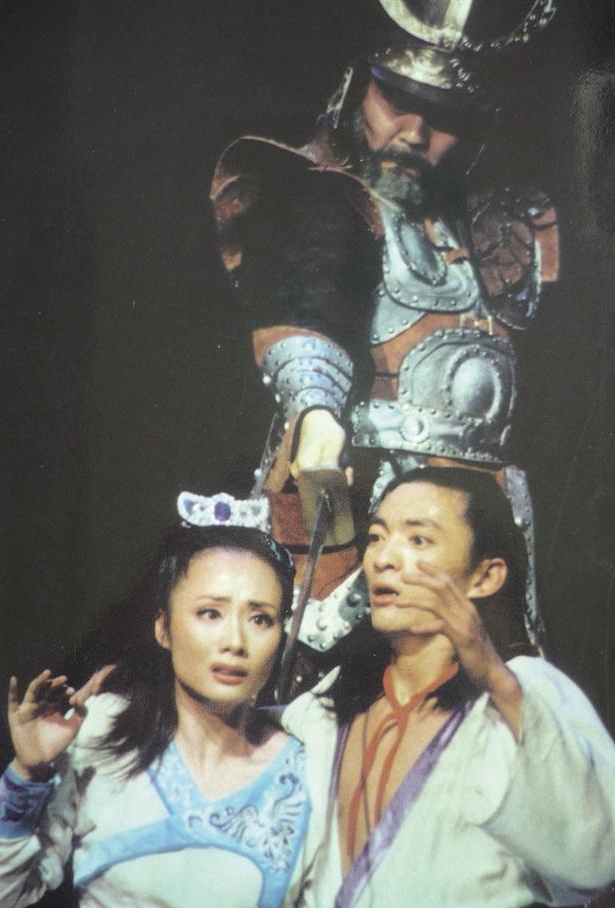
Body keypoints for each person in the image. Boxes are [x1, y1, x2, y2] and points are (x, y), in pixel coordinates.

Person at [210, 0, 560, 659]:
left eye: (444, 116)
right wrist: (315, 412)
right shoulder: (327, 202)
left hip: (476, 534)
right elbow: (304, 300)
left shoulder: (495, 231)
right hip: (363, 505)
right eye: (396, 100)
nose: (413, 133)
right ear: (354, 86)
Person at [281, 466, 615, 908]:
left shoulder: (525, 693)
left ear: (486, 575)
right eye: (377, 537)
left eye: (419, 540)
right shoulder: (328, 707)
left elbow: (594, 855)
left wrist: (496, 678)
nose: (385, 558)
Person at [0, 493, 311, 908]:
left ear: (281, 636)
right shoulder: (103, 730)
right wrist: (29, 772)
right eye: (210, 613)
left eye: (260, 618)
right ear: (163, 628)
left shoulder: (310, 763)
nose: (235, 641)